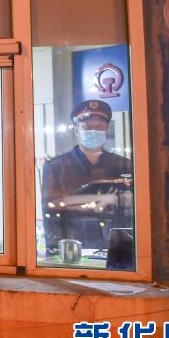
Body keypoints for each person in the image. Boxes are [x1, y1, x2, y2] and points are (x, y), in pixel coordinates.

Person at [40, 99, 132, 254]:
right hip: (74, 250)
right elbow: (50, 215)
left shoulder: (123, 165)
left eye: (99, 127)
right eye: (87, 127)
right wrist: (55, 252)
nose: (93, 131)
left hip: (116, 249)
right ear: (77, 129)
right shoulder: (56, 167)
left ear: (106, 129)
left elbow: (129, 211)